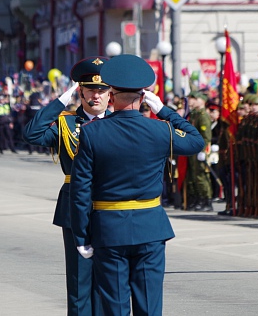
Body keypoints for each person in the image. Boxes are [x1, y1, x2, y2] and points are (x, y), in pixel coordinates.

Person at [70, 54, 204, 315]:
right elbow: (196, 141)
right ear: (143, 98)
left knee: (115, 306)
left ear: (111, 95)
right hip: (150, 228)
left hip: (109, 230)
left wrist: (82, 236)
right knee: (149, 306)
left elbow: (81, 190)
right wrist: (164, 111)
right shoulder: (160, 130)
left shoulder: (91, 132)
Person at [23, 56, 111, 316]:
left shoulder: (119, 123)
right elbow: (32, 133)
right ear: (80, 91)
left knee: (110, 282)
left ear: (110, 94)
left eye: (102, 90)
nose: (96, 96)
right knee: (79, 280)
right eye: (89, 90)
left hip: (111, 205)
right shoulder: (65, 123)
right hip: (75, 206)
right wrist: (62, 101)